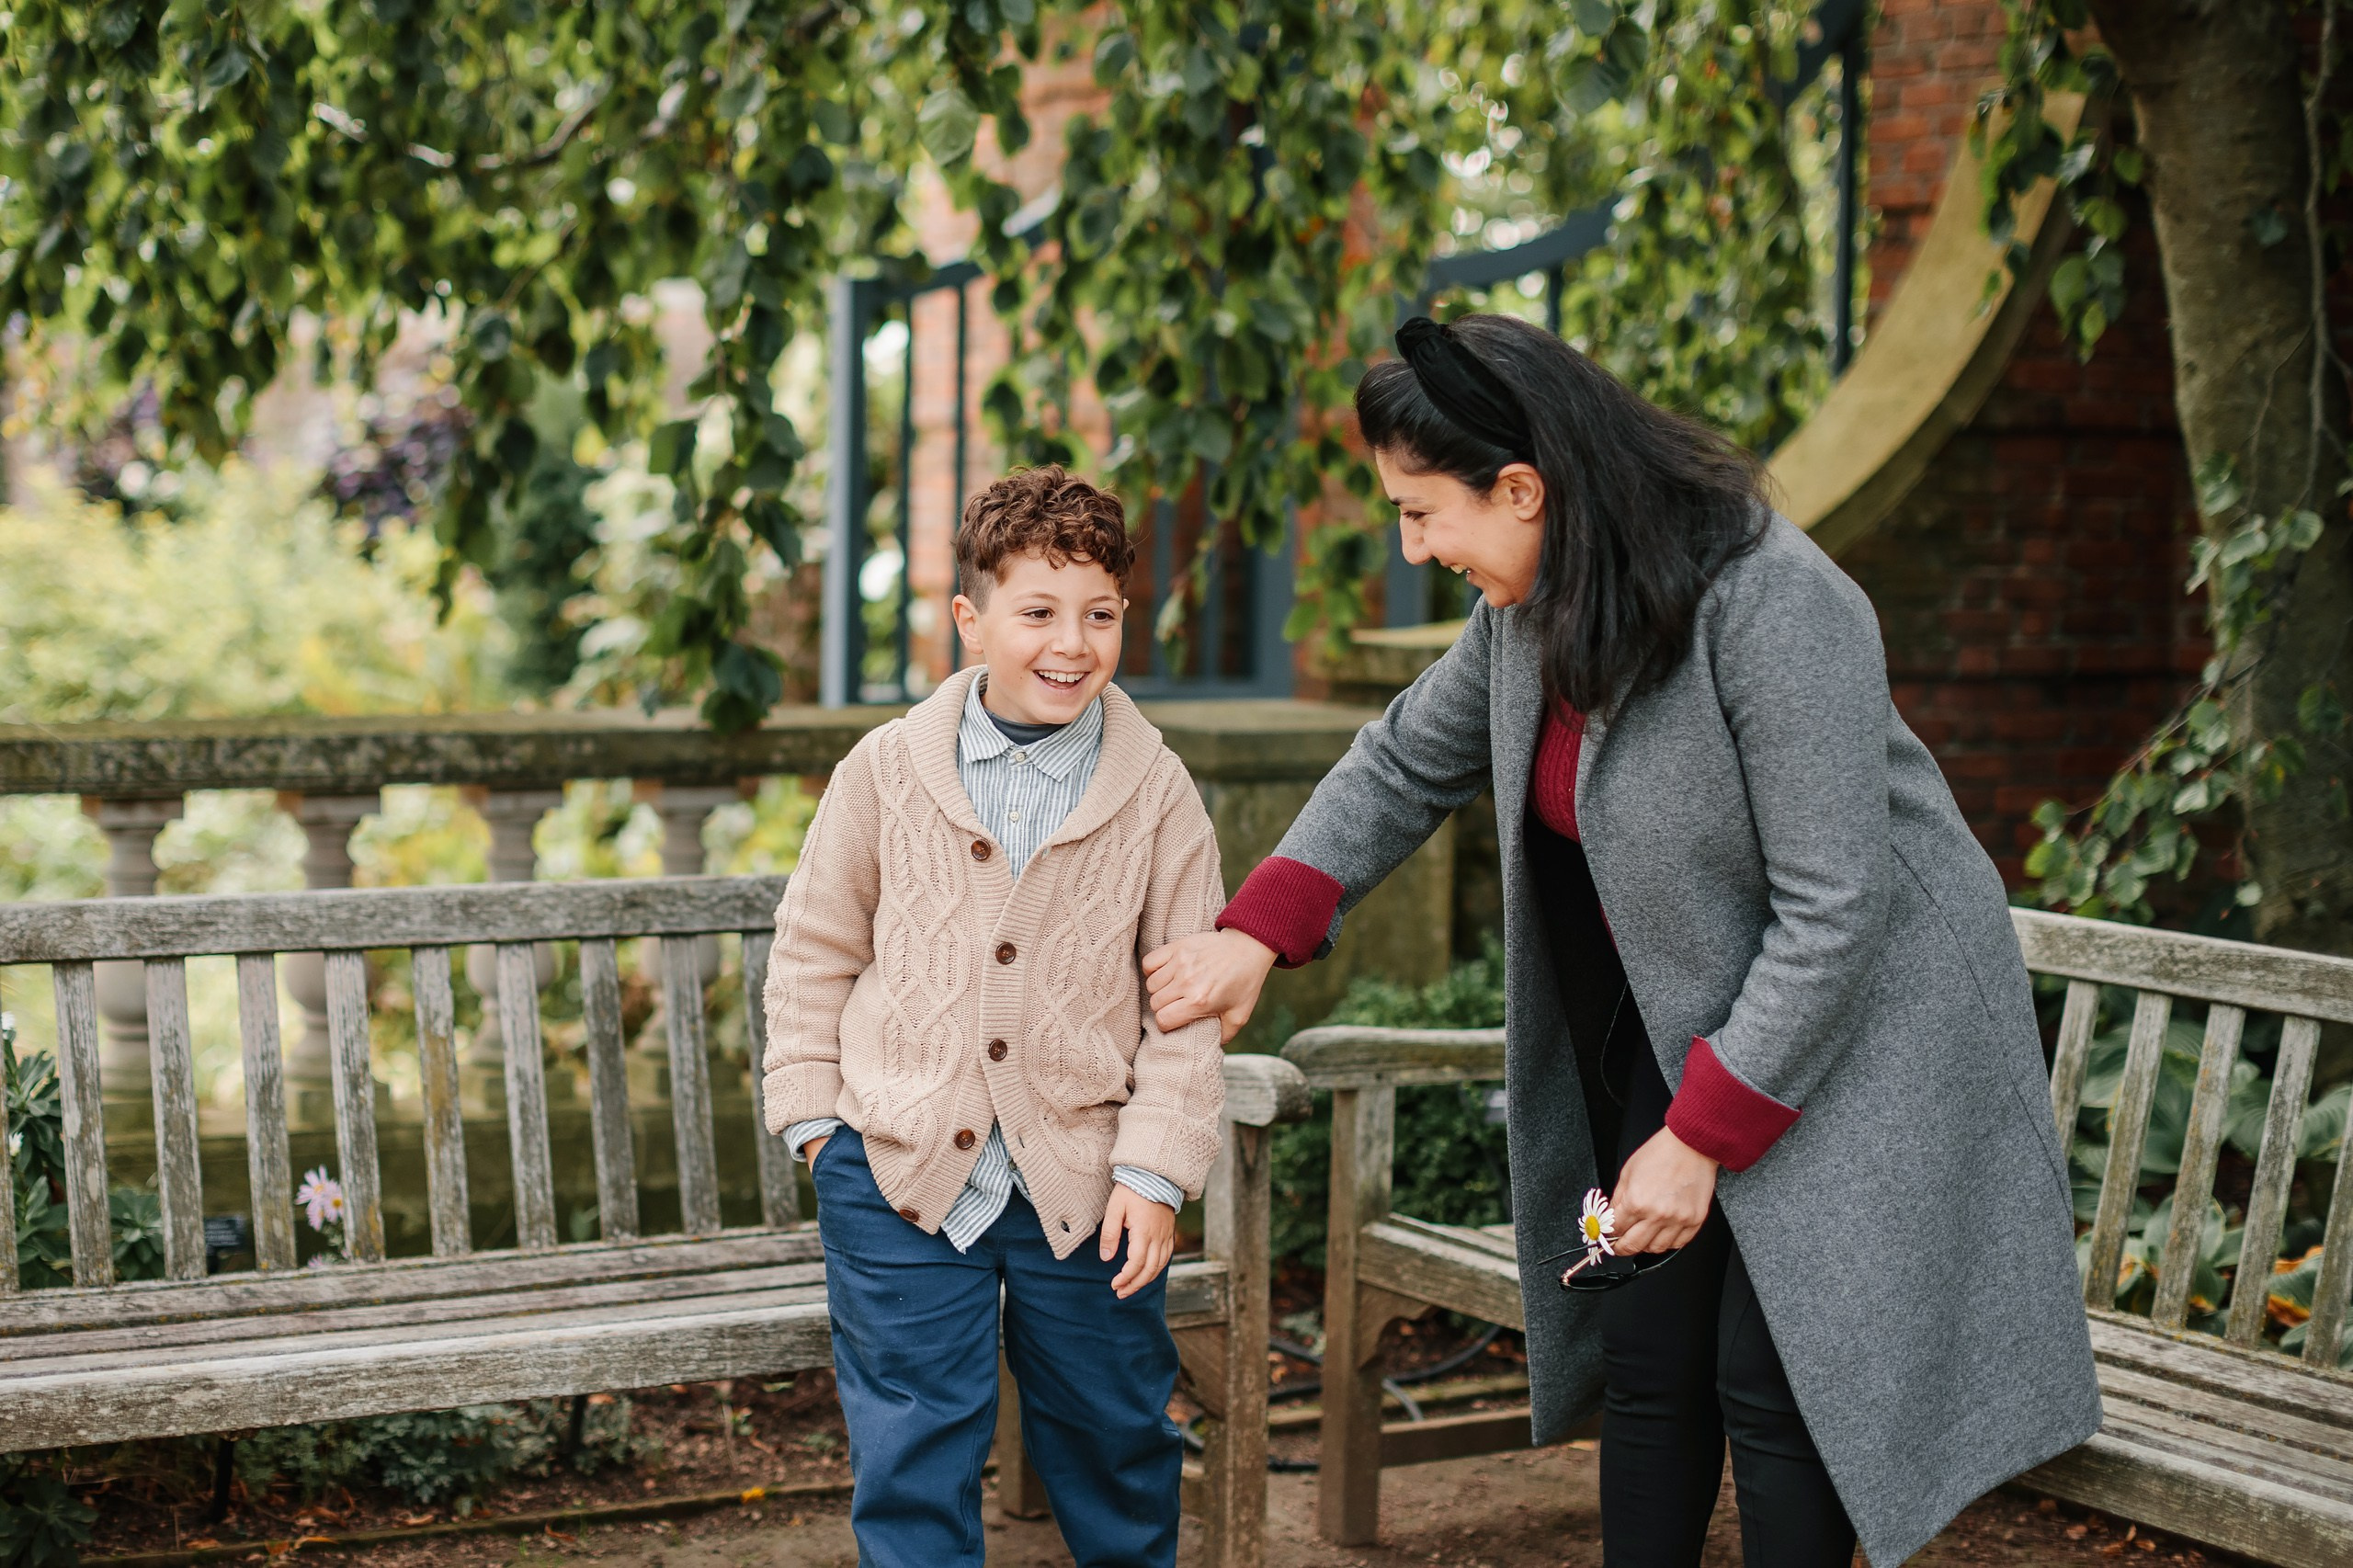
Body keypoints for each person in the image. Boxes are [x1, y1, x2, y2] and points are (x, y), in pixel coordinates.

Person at [1141, 314, 2100, 1568]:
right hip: (1697, 1020)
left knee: (1776, 1376)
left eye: (1422, 513)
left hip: (1867, 1033)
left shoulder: (1774, 601)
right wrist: (1256, 933)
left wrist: (1696, 1139)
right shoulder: (1530, 607)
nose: (1413, 547)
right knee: (1645, 1345)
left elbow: (1835, 911)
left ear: (1522, 489)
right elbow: (1402, 763)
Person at [762, 464, 1226, 1568]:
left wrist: (1155, 1171)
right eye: (1038, 612)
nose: (1072, 643)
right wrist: (819, 1127)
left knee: (1117, 1433)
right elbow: (814, 949)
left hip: (1091, 1181)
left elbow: (1186, 1009)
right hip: (898, 1168)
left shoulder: (1157, 793)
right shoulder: (884, 771)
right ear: (970, 620)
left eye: (1100, 614)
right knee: (912, 1445)